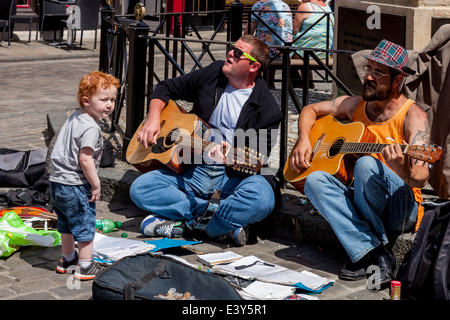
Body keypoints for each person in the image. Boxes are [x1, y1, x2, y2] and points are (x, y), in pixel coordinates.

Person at [289, 40, 430, 289]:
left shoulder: (413, 116)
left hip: (401, 207)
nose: (369, 77)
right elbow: (310, 109)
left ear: (397, 81)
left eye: (378, 72)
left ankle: (362, 249)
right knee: (314, 180)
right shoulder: (355, 105)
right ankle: (375, 253)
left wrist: (402, 168)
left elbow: (421, 176)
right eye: (369, 69)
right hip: (362, 197)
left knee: (366, 164)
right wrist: (303, 140)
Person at [129, 35, 283, 246]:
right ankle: (219, 224)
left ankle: (187, 226)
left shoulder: (268, 109)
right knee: (141, 188)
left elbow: (257, 160)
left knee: (262, 198)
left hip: (231, 176)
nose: (230, 53)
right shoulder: (214, 73)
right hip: (193, 169)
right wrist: (154, 118)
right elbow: (165, 87)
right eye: (232, 48)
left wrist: (232, 154)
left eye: (238, 53)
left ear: (254, 66)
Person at [50, 71, 120, 280]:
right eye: (104, 99)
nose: (109, 104)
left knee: (66, 224)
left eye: (113, 100)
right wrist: (96, 184)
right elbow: (85, 159)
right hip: (75, 185)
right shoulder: (91, 128)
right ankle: (86, 265)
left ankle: (68, 259)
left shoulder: (75, 117)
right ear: (86, 100)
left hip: (57, 183)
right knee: (84, 225)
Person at [244, 0, 293, 89]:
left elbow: (248, 33)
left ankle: (257, 82)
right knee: (272, 42)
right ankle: (270, 82)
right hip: (286, 52)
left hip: (268, 52)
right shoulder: (285, 5)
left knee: (250, 46)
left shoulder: (259, 6)